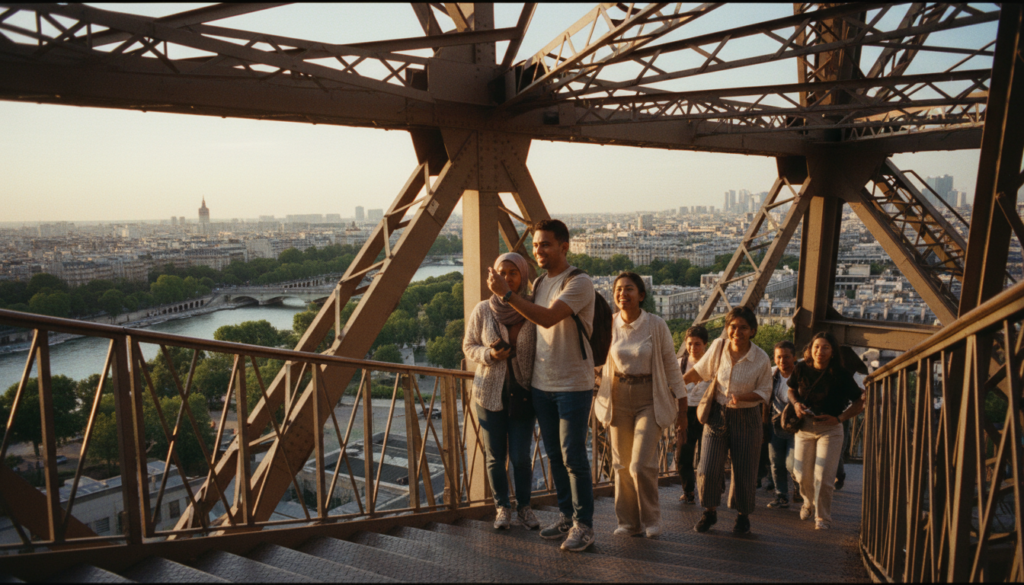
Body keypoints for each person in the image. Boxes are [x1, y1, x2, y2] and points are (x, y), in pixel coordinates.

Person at [486, 219, 596, 552]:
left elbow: (547, 318)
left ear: (565, 247)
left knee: (573, 456)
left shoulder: (579, 283)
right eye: (535, 245)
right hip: (541, 383)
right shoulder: (541, 284)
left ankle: (584, 526)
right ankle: (567, 517)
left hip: (573, 383)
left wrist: (505, 294)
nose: (539, 250)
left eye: (545, 244)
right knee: (555, 457)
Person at [594, 272, 687, 538]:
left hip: (650, 396)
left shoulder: (656, 325)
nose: (623, 294)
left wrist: (683, 411)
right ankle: (628, 523)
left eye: (629, 289)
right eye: (618, 290)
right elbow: (595, 359)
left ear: (641, 295)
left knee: (640, 464)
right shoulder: (608, 325)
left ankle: (651, 519)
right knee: (621, 465)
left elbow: (671, 366)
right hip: (618, 394)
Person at [463, 252, 540, 531]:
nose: (507, 278)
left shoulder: (532, 309)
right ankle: (502, 508)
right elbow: (468, 345)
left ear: (523, 276)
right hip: (489, 393)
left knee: (520, 456)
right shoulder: (483, 310)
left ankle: (525, 508)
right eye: (501, 273)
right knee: (496, 456)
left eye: (513, 273)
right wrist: (489, 355)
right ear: (492, 276)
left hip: (523, 393)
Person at [682, 307, 773, 535]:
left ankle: (742, 516)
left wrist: (742, 397)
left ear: (752, 331)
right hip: (717, 414)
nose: (737, 332)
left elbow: (765, 392)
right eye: (733, 326)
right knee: (708, 467)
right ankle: (709, 511)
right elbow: (699, 373)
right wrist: (674, 386)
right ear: (727, 328)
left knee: (744, 470)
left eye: (743, 327)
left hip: (747, 416)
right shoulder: (718, 347)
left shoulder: (761, 358)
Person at [788, 332, 866, 530]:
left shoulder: (841, 374)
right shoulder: (801, 368)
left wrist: (839, 418)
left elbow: (860, 401)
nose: (819, 351)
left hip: (830, 429)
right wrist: (796, 404)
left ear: (832, 352)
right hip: (805, 426)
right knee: (801, 474)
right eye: (816, 347)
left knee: (825, 476)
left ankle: (822, 517)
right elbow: (791, 389)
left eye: (825, 348)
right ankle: (807, 501)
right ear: (810, 349)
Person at [675, 325, 709, 505]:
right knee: (683, 455)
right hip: (685, 412)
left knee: (707, 456)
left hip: (707, 413)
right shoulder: (679, 363)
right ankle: (688, 490)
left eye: (697, 344)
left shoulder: (712, 364)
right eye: (689, 344)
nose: (693, 348)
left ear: (705, 344)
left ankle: (707, 490)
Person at [766, 340, 799, 509]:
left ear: (795, 357)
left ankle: (798, 485)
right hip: (776, 424)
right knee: (776, 461)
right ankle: (781, 495)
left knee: (792, 464)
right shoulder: (772, 374)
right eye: (778, 357)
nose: (782, 361)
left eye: (786, 357)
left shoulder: (802, 374)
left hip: (797, 425)